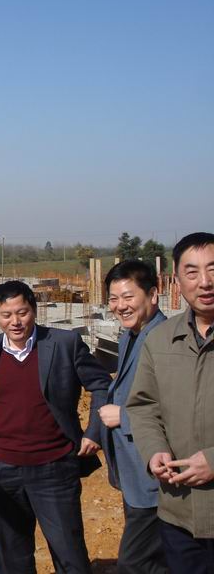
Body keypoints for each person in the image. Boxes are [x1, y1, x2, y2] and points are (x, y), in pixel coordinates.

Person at [0, 280, 111, 574]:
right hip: (1, 471)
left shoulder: (64, 344)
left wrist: (94, 431)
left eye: (22, 313)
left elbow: (102, 385)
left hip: (54, 468)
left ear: (34, 310)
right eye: (6, 315)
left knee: (70, 556)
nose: (15, 321)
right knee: (11, 560)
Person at [127, 232, 214, 573]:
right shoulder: (161, 340)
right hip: (180, 514)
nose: (205, 282)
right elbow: (143, 406)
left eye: (213, 269)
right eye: (192, 272)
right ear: (176, 281)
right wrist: (154, 451)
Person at [99, 260, 168, 573]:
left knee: (133, 562)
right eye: (114, 299)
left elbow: (179, 407)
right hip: (134, 475)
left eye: (128, 297)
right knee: (157, 561)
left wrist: (123, 417)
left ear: (152, 295)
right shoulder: (131, 335)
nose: (120, 306)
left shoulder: (165, 339)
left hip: (155, 477)